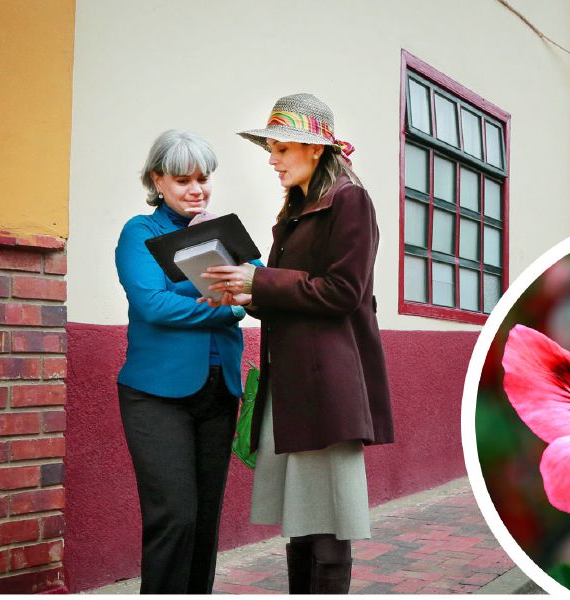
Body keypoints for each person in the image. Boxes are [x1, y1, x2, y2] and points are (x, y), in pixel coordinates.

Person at [201, 93, 394, 594]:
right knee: (301, 518)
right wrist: (243, 294)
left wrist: (259, 283)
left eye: (281, 148)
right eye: (271, 148)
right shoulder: (298, 206)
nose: (272, 159)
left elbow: (344, 292)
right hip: (292, 380)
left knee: (328, 521)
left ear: (315, 149)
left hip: (327, 383)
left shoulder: (350, 199)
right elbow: (294, 293)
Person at [114, 130, 254, 594]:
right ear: (157, 179)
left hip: (219, 389)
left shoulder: (221, 232)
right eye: (181, 179)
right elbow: (152, 304)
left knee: (205, 517)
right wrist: (224, 305)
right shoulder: (140, 232)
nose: (196, 189)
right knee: (173, 516)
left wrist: (232, 300)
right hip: (156, 395)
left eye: (203, 178)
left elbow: (253, 291)